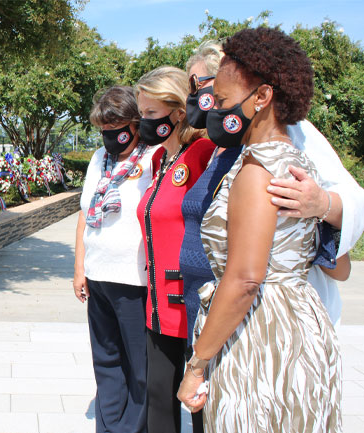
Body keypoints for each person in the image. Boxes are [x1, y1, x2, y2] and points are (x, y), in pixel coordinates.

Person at [176, 27, 342, 432]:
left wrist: (197, 365)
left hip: (258, 335)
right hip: (304, 330)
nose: (215, 111)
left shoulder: (256, 170)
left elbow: (246, 279)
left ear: (263, 97)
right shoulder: (301, 166)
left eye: (226, 102)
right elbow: (340, 265)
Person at [181, 41, 364, 344]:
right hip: (213, 316)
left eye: (202, 85)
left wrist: (322, 203)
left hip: (265, 325)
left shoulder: (292, 132)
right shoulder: (224, 143)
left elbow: (351, 199)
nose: (202, 99)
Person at [134, 66, 215, 433]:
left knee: (201, 408)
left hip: (195, 303)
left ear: (178, 111)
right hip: (159, 303)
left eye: (151, 113)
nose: (143, 123)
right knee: (158, 403)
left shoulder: (202, 153)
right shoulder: (156, 160)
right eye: (142, 113)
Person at [73, 86, 157, 433]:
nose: (110, 136)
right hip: (98, 275)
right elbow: (83, 214)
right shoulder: (98, 159)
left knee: (139, 365)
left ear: (136, 124)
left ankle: (131, 427)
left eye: (117, 128)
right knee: (106, 359)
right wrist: (79, 268)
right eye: (104, 130)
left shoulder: (153, 157)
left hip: (134, 279)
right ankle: (108, 424)